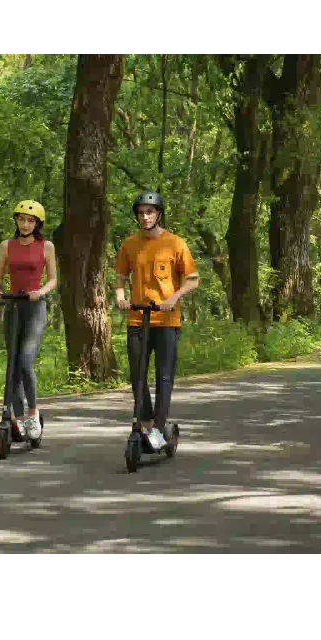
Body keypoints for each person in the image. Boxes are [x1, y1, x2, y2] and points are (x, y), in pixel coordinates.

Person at [113, 191, 199, 449]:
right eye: (141, 213)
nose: (145, 217)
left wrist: (174, 297)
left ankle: (160, 429)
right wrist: (120, 296)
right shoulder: (130, 244)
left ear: (159, 214)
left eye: (150, 212)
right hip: (138, 319)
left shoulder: (175, 243)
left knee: (164, 376)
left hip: (167, 321)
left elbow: (192, 279)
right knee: (137, 375)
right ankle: (146, 423)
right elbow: (120, 278)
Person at [0, 200, 57, 440]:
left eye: (30, 221)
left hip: (35, 308)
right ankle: (16, 418)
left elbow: (53, 280)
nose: (25, 224)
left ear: (37, 224)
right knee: (13, 364)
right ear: (16, 221)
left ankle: (32, 413)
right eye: (21, 219)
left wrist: (41, 292)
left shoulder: (46, 247)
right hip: (13, 307)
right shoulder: (6, 246)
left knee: (26, 360)